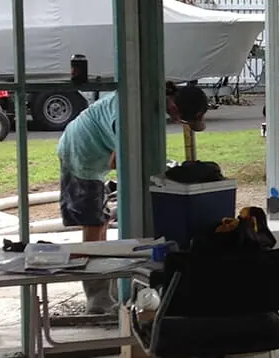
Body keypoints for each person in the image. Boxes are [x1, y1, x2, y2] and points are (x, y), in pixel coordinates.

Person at [57, 82, 209, 314]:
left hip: (98, 148)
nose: (179, 123)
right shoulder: (130, 113)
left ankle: (110, 290)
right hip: (82, 149)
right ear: (174, 106)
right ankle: (97, 300)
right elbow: (117, 162)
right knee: (93, 227)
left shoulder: (158, 94)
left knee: (101, 222)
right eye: (182, 119)